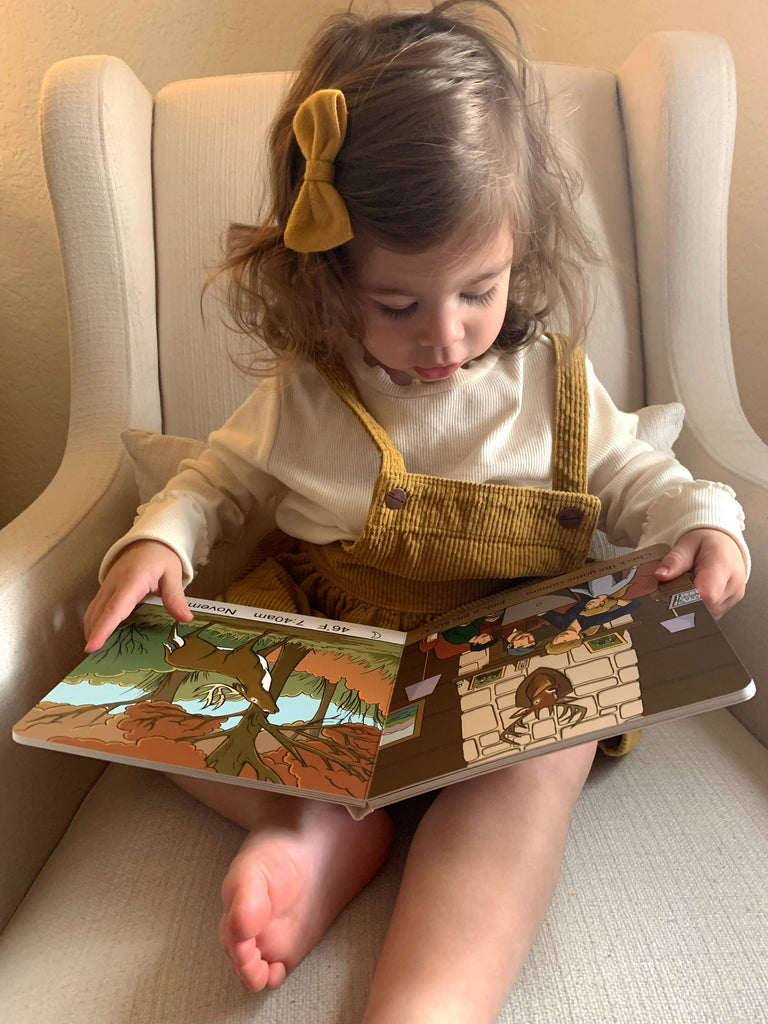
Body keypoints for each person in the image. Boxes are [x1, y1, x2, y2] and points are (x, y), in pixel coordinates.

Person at [83, 3, 749, 1021]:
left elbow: (643, 479)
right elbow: (214, 483)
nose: (445, 335)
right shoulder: (307, 395)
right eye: (398, 305)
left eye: (480, 290)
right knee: (130, 686)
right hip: (331, 670)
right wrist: (157, 542)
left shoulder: (551, 388)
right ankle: (317, 832)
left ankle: (431, 998)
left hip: (507, 678)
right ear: (328, 275)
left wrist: (705, 525)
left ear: (520, 251)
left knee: (546, 759)